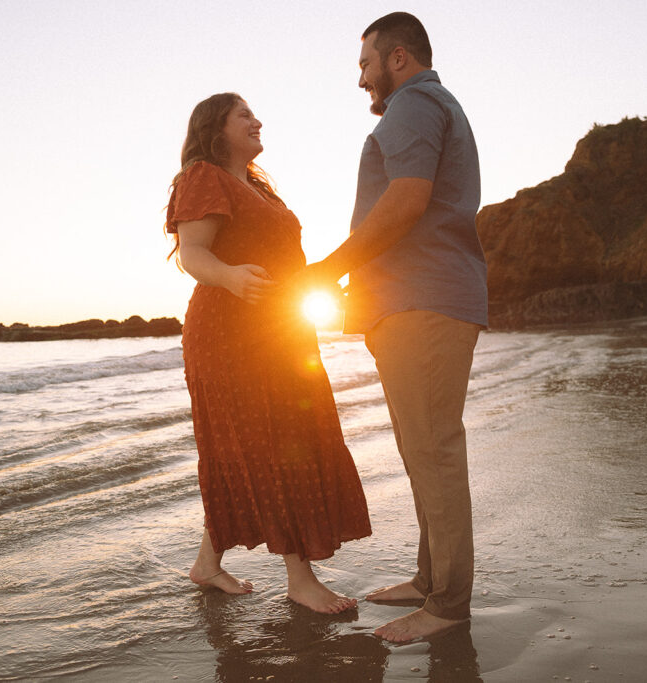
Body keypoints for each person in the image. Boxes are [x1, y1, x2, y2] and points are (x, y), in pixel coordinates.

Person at [292, 12, 488, 641]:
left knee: (433, 451)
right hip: (411, 301)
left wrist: (328, 270)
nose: (360, 80)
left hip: (424, 302)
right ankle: (432, 578)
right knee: (417, 448)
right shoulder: (426, 105)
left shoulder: (412, 104)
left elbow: (406, 199)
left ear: (397, 58)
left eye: (364, 64)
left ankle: (447, 606)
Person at [165, 93, 372, 614]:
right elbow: (193, 253)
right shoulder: (203, 176)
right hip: (230, 333)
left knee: (258, 442)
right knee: (275, 442)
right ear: (216, 127)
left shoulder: (257, 189)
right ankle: (300, 579)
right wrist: (231, 277)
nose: (257, 122)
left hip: (278, 329)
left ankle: (207, 564)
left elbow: (283, 262)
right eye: (244, 115)